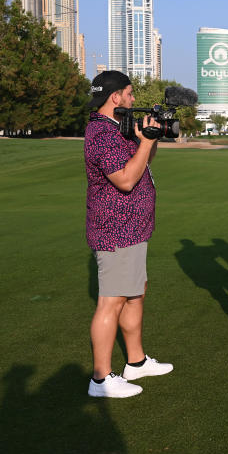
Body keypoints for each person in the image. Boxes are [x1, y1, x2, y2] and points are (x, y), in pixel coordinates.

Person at [84, 70, 173, 398]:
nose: (133, 99)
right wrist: (146, 140)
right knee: (112, 301)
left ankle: (135, 362)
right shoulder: (101, 132)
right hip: (116, 230)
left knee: (135, 293)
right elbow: (124, 179)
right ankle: (100, 379)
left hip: (133, 228)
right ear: (115, 96)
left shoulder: (115, 128)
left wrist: (151, 136)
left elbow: (143, 160)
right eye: (130, 93)